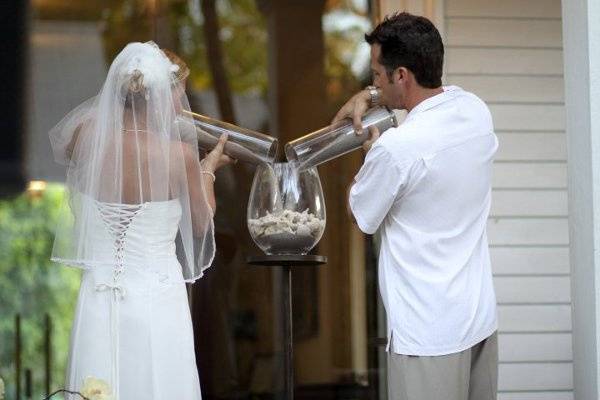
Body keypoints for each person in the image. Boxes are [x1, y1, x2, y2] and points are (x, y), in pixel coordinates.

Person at [49, 42, 233, 400]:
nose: (180, 105)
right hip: (157, 295)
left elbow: (74, 147)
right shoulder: (179, 156)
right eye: (176, 94)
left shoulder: (85, 139)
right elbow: (202, 222)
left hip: (98, 295)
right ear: (157, 97)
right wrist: (207, 171)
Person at [334, 12, 499, 400]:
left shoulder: (395, 149)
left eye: (377, 74)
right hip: (479, 321)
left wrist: (370, 154)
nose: (372, 82)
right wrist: (372, 95)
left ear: (402, 75)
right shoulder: (475, 110)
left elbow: (360, 215)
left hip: (428, 336)